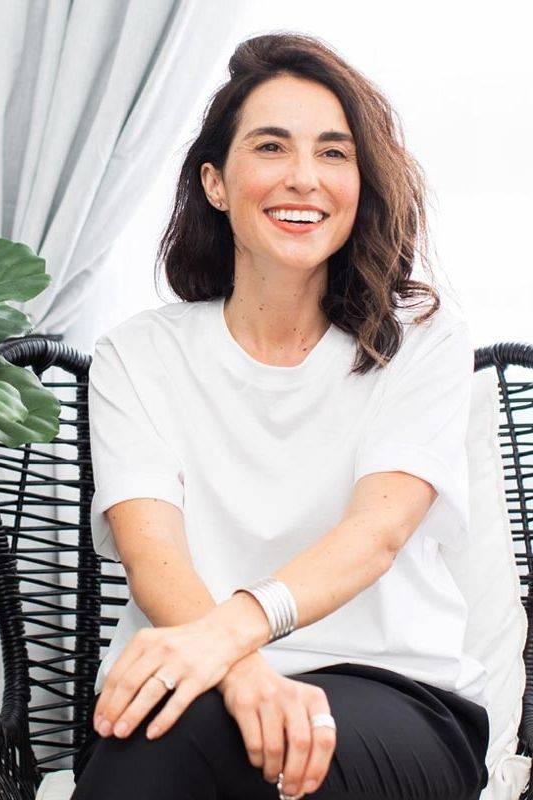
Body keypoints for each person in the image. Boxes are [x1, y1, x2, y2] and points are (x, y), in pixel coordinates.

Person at [72, 31, 490, 800]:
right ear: (217, 182)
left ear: (360, 184)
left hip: (395, 693)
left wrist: (230, 638)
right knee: (154, 756)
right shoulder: (138, 355)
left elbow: (377, 535)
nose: (305, 179)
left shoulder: (422, 342)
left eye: (335, 154)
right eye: (272, 147)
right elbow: (152, 553)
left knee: (289, 767)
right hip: (192, 683)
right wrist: (242, 673)